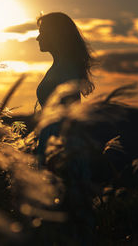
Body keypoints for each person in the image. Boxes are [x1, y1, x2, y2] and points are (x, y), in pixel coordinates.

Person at [36, 12, 95, 168]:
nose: (38, 38)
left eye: (41, 33)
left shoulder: (66, 68)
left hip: (60, 147)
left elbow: (70, 115)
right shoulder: (61, 65)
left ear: (54, 35)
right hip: (54, 143)